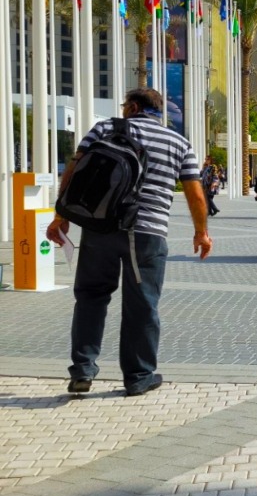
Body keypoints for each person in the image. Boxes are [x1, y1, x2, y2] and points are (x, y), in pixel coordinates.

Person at [47, 88, 212, 397]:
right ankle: (138, 376)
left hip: (100, 227)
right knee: (143, 304)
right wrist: (200, 232)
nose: (123, 110)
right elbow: (195, 192)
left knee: (91, 297)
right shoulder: (179, 143)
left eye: (125, 106)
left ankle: (83, 369)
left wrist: (62, 214)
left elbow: (75, 168)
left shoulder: (105, 128)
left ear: (133, 107)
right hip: (147, 234)